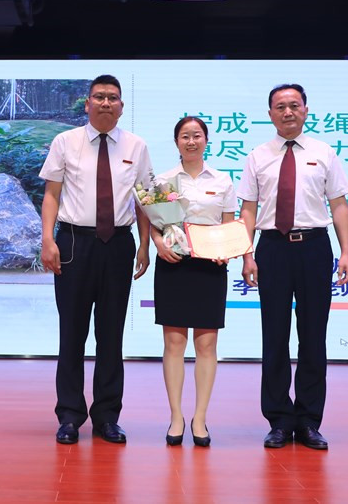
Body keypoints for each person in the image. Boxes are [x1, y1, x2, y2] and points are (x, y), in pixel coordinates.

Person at [237, 84, 348, 451]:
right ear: (270, 114)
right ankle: (278, 420)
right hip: (272, 248)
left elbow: (339, 205)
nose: (287, 112)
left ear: (305, 110)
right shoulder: (258, 156)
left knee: (313, 336)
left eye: (294, 105)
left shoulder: (324, 152)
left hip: (314, 247)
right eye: (280, 107)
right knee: (274, 336)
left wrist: (346, 252)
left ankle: (308, 421)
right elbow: (248, 210)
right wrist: (247, 254)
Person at [39, 74, 153, 445]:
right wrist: (47, 239)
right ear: (87, 103)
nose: (106, 103)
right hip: (74, 243)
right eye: (99, 97)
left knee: (111, 334)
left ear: (122, 105)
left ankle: (107, 417)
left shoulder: (136, 146)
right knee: (72, 333)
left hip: (118, 244)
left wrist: (144, 245)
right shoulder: (66, 142)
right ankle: (70, 416)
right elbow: (52, 194)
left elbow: (145, 200)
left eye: (112, 97)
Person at [152, 116, 237, 448]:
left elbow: (229, 225)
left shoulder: (223, 180)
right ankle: (176, 416)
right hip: (174, 264)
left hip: (209, 267)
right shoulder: (163, 180)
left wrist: (226, 250)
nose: (191, 141)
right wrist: (158, 244)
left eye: (197, 136)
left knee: (206, 346)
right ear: (177, 142)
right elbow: (154, 223)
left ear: (206, 140)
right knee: (174, 344)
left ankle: (199, 418)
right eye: (185, 136)